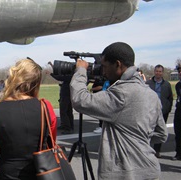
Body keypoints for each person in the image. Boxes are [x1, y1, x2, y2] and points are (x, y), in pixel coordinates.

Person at [70, 42, 168, 179]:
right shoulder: (151, 94)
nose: (103, 71)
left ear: (118, 64)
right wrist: (138, 141)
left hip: (124, 174)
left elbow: (80, 100)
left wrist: (80, 71)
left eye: (104, 66)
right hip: (149, 170)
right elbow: (162, 134)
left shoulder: (121, 94)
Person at [0, 58, 57, 180]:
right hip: (41, 174)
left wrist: (8, 169)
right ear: (36, 82)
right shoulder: (45, 107)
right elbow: (51, 145)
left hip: (8, 174)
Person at [146, 64, 173, 158]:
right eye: (157, 71)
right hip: (150, 111)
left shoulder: (167, 84)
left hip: (162, 112)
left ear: (162, 73)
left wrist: (167, 109)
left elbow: (170, 98)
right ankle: (147, 150)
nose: (158, 73)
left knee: (160, 131)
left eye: (160, 71)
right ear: (154, 72)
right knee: (148, 131)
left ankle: (157, 150)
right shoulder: (148, 84)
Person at [172, 65, 181, 160]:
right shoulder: (178, 85)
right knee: (178, 134)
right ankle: (179, 153)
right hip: (179, 111)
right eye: (179, 71)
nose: (180, 73)